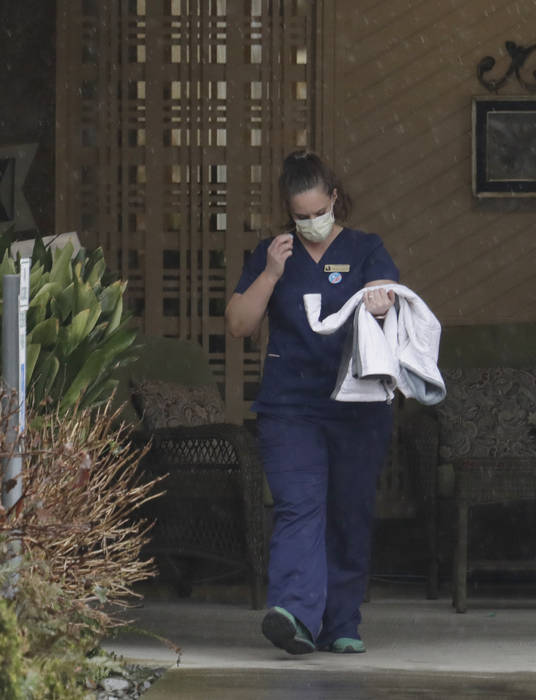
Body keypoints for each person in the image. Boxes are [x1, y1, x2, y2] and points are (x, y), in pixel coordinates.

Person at [226, 150, 399, 655]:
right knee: (299, 507)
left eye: (317, 212)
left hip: (357, 405)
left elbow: (388, 299)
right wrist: (272, 274)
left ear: (335, 200)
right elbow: (238, 325)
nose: (310, 224)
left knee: (348, 511)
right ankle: (296, 616)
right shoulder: (271, 252)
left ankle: (342, 622)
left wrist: (381, 302)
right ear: (288, 211)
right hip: (290, 406)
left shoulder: (367, 248)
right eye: (300, 217)